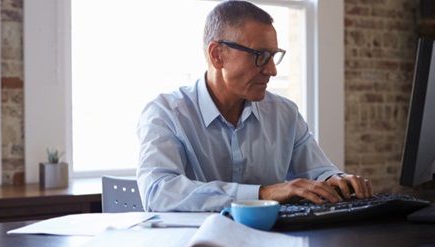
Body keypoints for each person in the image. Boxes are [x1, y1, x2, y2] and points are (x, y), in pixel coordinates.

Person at [136, 0, 373, 212]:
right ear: (217, 55)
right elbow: (158, 192)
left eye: (273, 55)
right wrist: (263, 193)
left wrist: (337, 179)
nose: (272, 70)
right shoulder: (165, 113)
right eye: (260, 55)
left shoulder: (285, 114)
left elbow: (317, 171)